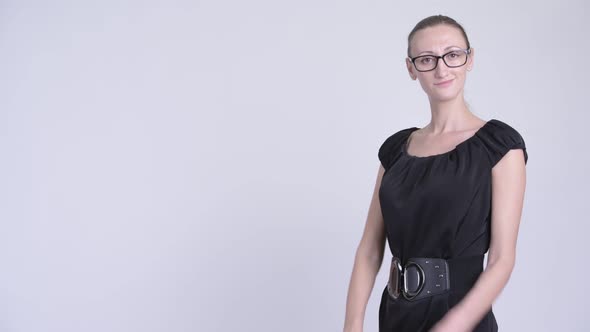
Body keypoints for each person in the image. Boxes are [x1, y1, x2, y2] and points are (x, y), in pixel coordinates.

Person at [342, 14, 528, 332]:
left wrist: (452, 326)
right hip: (397, 315)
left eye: (452, 55)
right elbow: (370, 248)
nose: (442, 69)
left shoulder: (499, 145)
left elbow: (501, 260)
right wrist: (353, 324)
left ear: (469, 59)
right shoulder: (395, 150)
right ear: (411, 68)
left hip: (459, 318)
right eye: (427, 59)